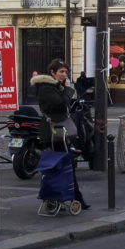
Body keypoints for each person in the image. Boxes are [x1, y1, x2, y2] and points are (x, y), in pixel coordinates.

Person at [31, 59, 90, 210]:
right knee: (57, 165)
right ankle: (60, 199)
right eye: (61, 72)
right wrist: (68, 89)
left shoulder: (56, 86)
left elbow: (65, 105)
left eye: (66, 72)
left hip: (59, 131)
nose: (64, 74)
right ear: (52, 72)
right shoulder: (46, 87)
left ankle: (62, 198)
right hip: (53, 132)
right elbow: (61, 103)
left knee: (63, 164)